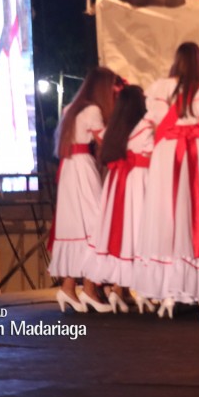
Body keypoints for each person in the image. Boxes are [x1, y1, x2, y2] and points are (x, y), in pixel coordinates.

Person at [133, 42, 199, 319]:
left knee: (166, 213)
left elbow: (157, 127)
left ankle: (168, 290)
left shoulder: (159, 88)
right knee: (194, 212)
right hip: (195, 151)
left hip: (166, 153)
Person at [48, 67, 119, 313]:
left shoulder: (70, 108)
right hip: (83, 169)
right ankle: (88, 289)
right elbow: (107, 142)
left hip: (69, 169)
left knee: (77, 227)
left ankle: (68, 288)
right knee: (95, 225)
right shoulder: (93, 111)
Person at [88, 84, 153, 314]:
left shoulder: (114, 127)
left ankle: (117, 288)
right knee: (138, 233)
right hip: (140, 180)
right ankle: (143, 291)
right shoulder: (145, 127)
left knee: (121, 232)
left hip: (116, 182)